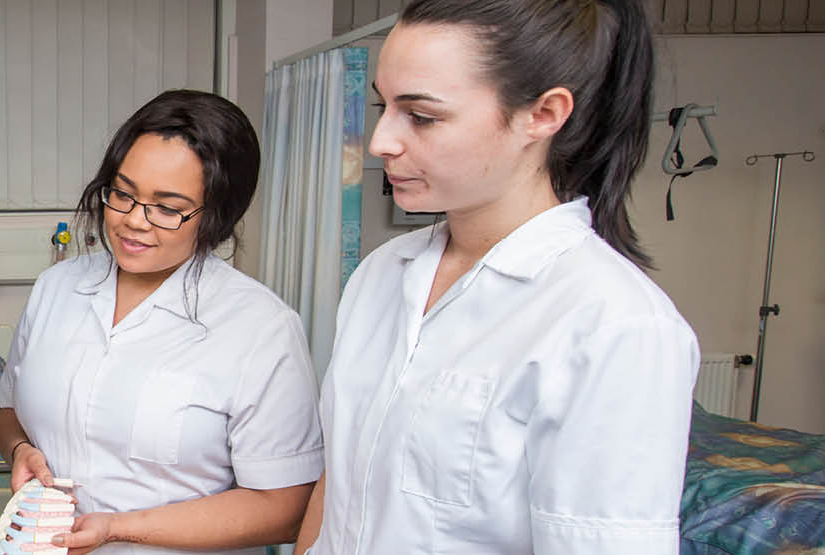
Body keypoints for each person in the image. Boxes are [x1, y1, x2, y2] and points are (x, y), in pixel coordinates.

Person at [294, 1, 697, 553]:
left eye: (423, 116)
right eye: (382, 107)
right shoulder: (382, 275)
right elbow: (339, 486)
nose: (382, 141)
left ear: (544, 114)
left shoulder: (613, 323)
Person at [0, 90, 324, 555]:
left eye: (167, 208)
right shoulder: (57, 288)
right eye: (123, 194)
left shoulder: (260, 329)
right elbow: (7, 414)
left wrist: (118, 528)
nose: (133, 222)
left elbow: (284, 509)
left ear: (218, 216)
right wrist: (19, 451)